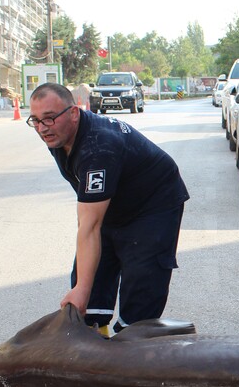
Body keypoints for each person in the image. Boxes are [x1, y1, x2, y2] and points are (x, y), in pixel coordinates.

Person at [28, 83, 189, 334]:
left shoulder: (98, 147)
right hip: (113, 202)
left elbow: (90, 225)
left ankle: (132, 352)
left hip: (153, 204)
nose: (42, 128)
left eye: (49, 119)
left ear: (73, 113)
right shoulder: (60, 136)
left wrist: (82, 289)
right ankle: (95, 349)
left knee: (141, 283)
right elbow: (91, 222)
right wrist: (83, 289)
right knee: (90, 287)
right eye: (35, 121)